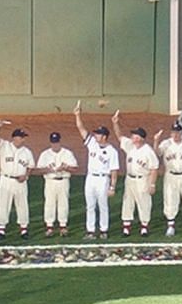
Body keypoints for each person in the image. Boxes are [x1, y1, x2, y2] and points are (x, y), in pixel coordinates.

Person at [73, 102, 119, 238]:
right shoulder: (92, 144)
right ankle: (91, 230)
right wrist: (77, 115)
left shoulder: (112, 151)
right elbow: (80, 128)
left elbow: (114, 171)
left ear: (104, 136)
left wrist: (112, 187)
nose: (96, 136)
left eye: (98, 134)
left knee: (103, 205)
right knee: (90, 205)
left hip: (103, 179)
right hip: (90, 178)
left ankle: (104, 230)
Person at [117, 115, 159, 236]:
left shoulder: (148, 151)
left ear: (141, 138)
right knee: (127, 201)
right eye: (132, 136)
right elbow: (119, 136)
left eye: (135, 136)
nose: (132, 138)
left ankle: (144, 226)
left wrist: (152, 184)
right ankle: (126, 226)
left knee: (144, 202)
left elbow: (154, 169)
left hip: (143, 179)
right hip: (129, 179)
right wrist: (115, 123)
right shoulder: (130, 146)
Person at [0, 120, 34, 239]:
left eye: (24, 138)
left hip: (21, 182)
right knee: (3, 204)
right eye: (21, 137)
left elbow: (30, 166)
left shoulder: (27, 152)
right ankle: (1, 230)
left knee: (22, 205)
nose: (23, 140)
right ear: (15, 138)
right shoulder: (4, 146)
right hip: (6, 180)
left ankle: (24, 230)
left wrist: (26, 176)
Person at [37, 131, 78, 236]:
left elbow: (75, 168)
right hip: (50, 181)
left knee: (63, 203)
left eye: (56, 142)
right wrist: (48, 170)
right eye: (53, 142)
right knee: (49, 204)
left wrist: (66, 168)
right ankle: (49, 227)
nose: (55, 144)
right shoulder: (45, 154)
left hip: (63, 180)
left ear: (59, 142)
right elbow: (39, 170)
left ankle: (63, 226)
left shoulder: (67, 153)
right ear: (50, 143)